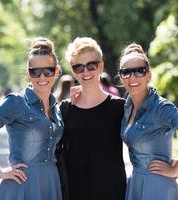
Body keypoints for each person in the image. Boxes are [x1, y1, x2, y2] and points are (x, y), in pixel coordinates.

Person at [0, 37, 63, 200]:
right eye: (35, 71)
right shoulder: (16, 102)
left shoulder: (56, 106)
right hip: (23, 184)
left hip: (51, 181)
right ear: (28, 73)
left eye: (48, 71)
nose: (41, 77)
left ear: (56, 71)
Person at [118, 42, 178, 200]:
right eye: (127, 72)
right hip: (136, 182)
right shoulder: (126, 107)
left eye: (139, 71)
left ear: (149, 75)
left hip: (158, 187)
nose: (133, 77)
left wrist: (177, 168)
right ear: (121, 78)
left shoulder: (162, 107)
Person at [59, 37, 126, 200]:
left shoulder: (119, 107)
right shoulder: (66, 108)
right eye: (79, 67)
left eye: (91, 65)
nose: (86, 72)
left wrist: (171, 162)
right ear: (73, 70)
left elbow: (141, 138)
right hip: (75, 192)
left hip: (112, 191)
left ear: (100, 66)